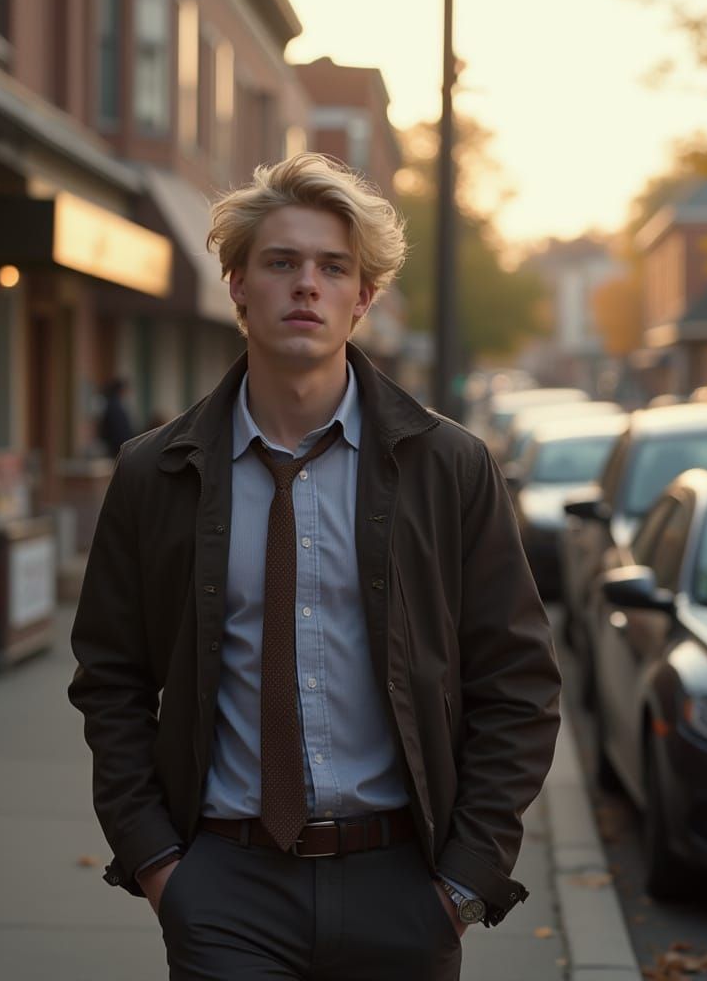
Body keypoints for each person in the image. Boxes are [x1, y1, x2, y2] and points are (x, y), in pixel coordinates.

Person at [69, 153, 561, 981]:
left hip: (404, 886)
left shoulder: (448, 467)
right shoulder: (156, 472)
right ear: (236, 284)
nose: (307, 285)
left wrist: (465, 881)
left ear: (362, 298)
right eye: (281, 262)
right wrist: (160, 866)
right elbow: (110, 679)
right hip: (226, 888)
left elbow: (518, 682)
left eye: (334, 268)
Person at [98, 377, 134, 457]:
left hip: (117, 447)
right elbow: (120, 431)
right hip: (119, 448)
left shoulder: (113, 404)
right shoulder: (115, 407)